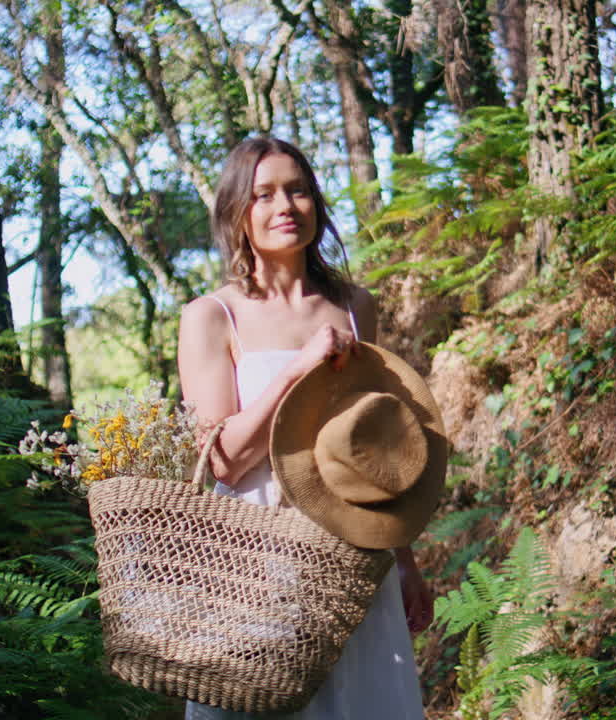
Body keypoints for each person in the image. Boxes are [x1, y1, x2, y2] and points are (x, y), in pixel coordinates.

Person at [177, 136, 431, 720]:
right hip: (256, 546)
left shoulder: (353, 306)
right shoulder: (211, 317)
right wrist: (299, 366)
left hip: (354, 540)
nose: (284, 206)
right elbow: (224, 461)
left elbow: (380, 445)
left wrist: (406, 560)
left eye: (297, 190)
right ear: (238, 214)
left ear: (316, 201)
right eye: (263, 195)